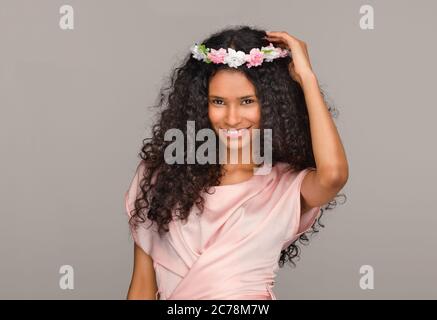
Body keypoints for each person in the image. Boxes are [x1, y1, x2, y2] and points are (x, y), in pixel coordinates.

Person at [124, 25, 348, 300]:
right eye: (218, 101)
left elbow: (333, 175)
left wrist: (306, 79)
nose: (232, 118)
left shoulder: (285, 186)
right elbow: (142, 287)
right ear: (199, 104)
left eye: (247, 101)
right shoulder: (160, 178)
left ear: (272, 105)